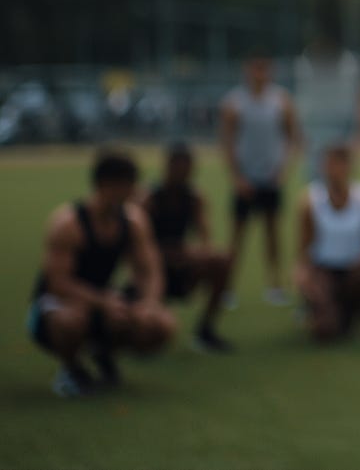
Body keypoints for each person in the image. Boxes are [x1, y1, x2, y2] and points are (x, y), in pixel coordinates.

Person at [28, 148, 176, 396]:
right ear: (108, 184)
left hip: (104, 299)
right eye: (130, 185)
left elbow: (150, 270)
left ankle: (103, 353)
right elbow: (58, 283)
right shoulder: (68, 223)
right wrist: (103, 302)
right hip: (60, 304)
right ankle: (71, 370)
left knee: (160, 326)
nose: (135, 192)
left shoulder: (133, 221)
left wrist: (148, 304)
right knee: (71, 321)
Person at [219, 50, 299, 305]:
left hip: (271, 177)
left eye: (264, 68)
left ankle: (275, 286)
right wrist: (236, 177)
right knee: (237, 237)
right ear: (247, 70)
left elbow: (292, 139)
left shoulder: (281, 101)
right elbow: (227, 142)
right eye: (256, 68)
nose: (260, 74)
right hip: (246, 178)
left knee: (273, 234)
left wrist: (283, 170)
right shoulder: (234, 102)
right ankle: (226, 288)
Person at [142, 143, 233, 352]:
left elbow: (205, 240)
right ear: (168, 167)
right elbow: (138, 245)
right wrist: (172, 254)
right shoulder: (149, 198)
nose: (183, 174)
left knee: (222, 260)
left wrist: (197, 255)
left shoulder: (194, 198)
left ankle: (205, 330)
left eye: (188, 169)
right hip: (153, 263)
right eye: (179, 168)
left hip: (181, 260)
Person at [294, 143, 360, 343]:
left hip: (356, 269)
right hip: (325, 269)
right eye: (328, 165)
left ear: (348, 167)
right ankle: (326, 310)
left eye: (336, 164)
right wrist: (304, 274)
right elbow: (304, 248)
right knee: (325, 331)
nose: (332, 170)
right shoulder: (310, 201)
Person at [293, 0, 360, 180]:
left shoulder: (351, 65)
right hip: (313, 136)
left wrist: (359, 138)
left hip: (342, 134)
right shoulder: (304, 65)